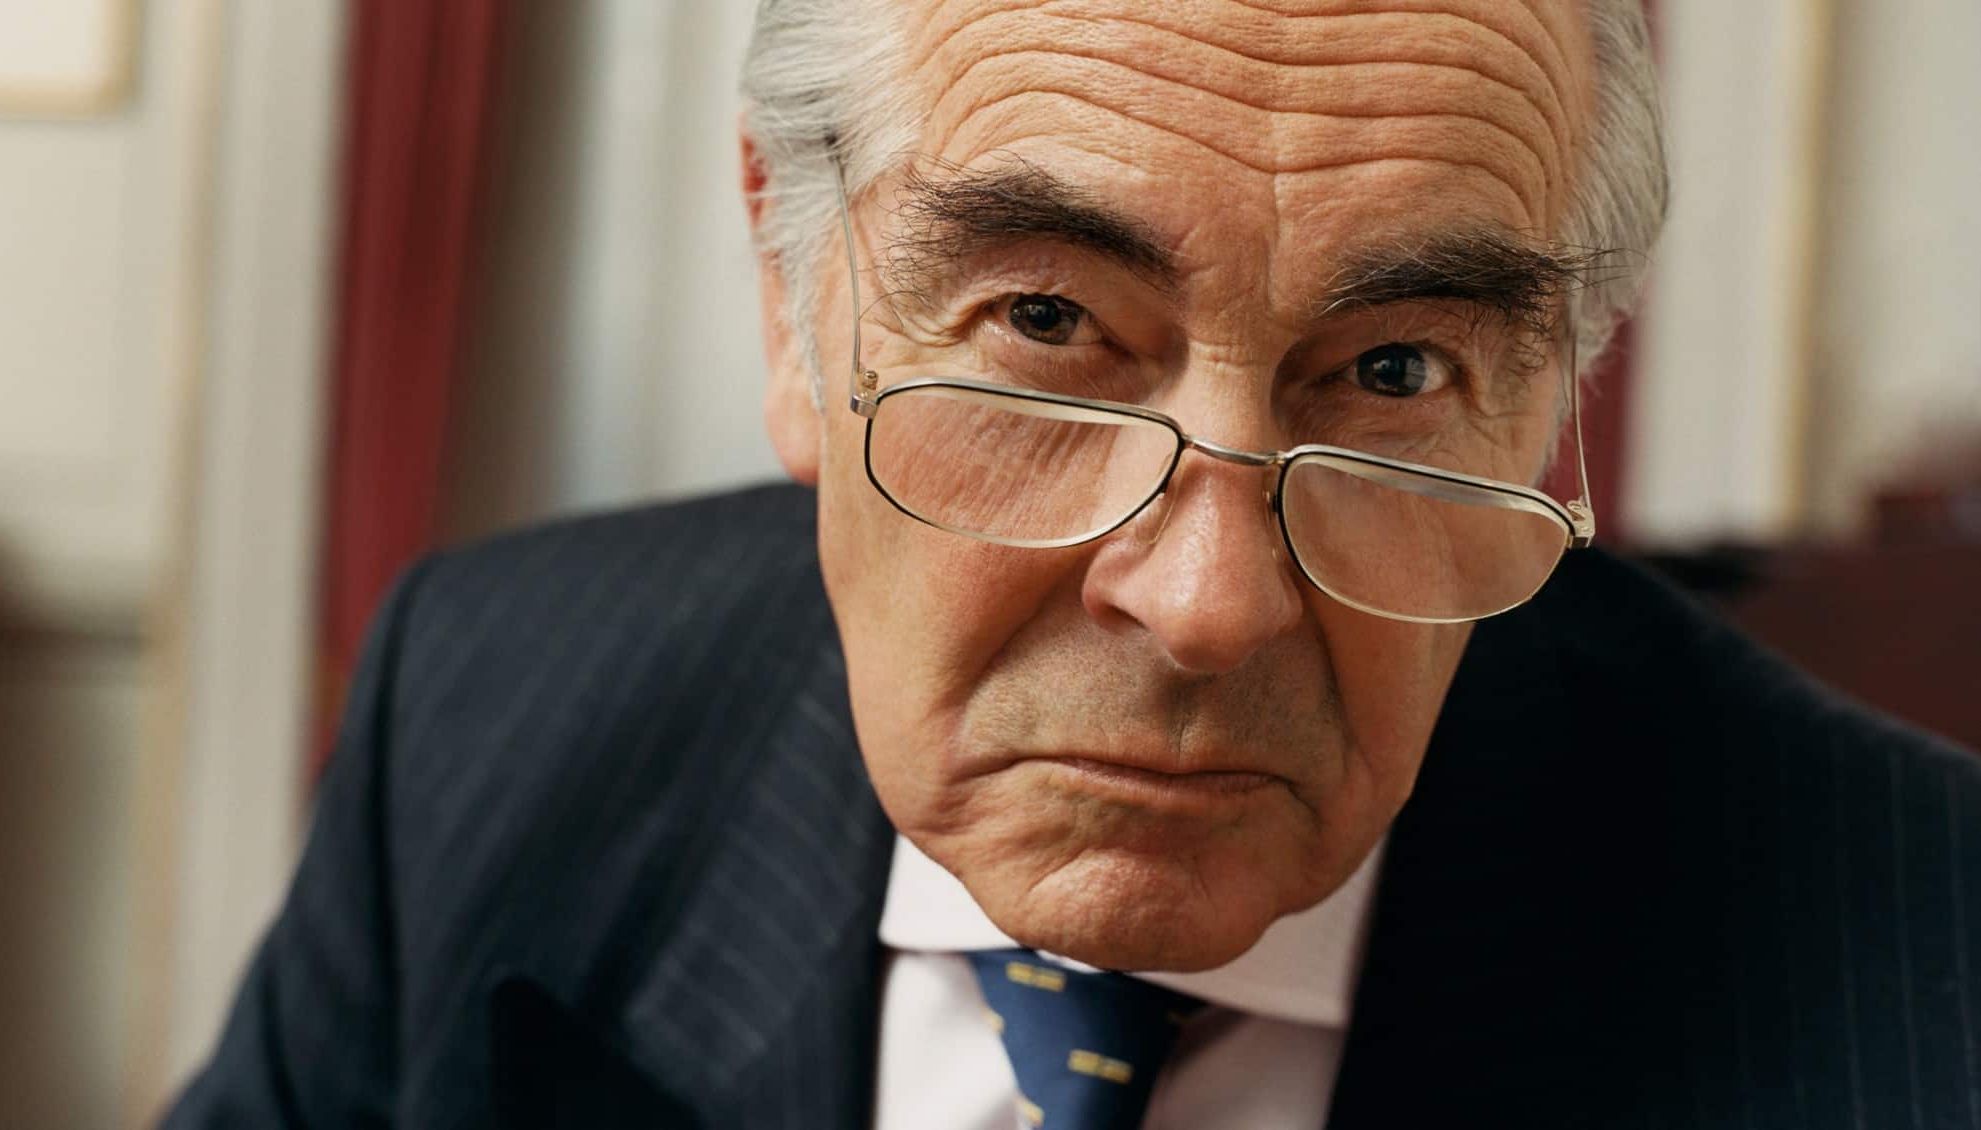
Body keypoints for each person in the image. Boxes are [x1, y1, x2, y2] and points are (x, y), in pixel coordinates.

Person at [166, 1, 1980, 1127]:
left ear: (1545, 401)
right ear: (802, 312)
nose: (1205, 601)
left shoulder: (1927, 978)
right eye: (1046, 321)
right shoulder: (488, 707)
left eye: (1395, 371)